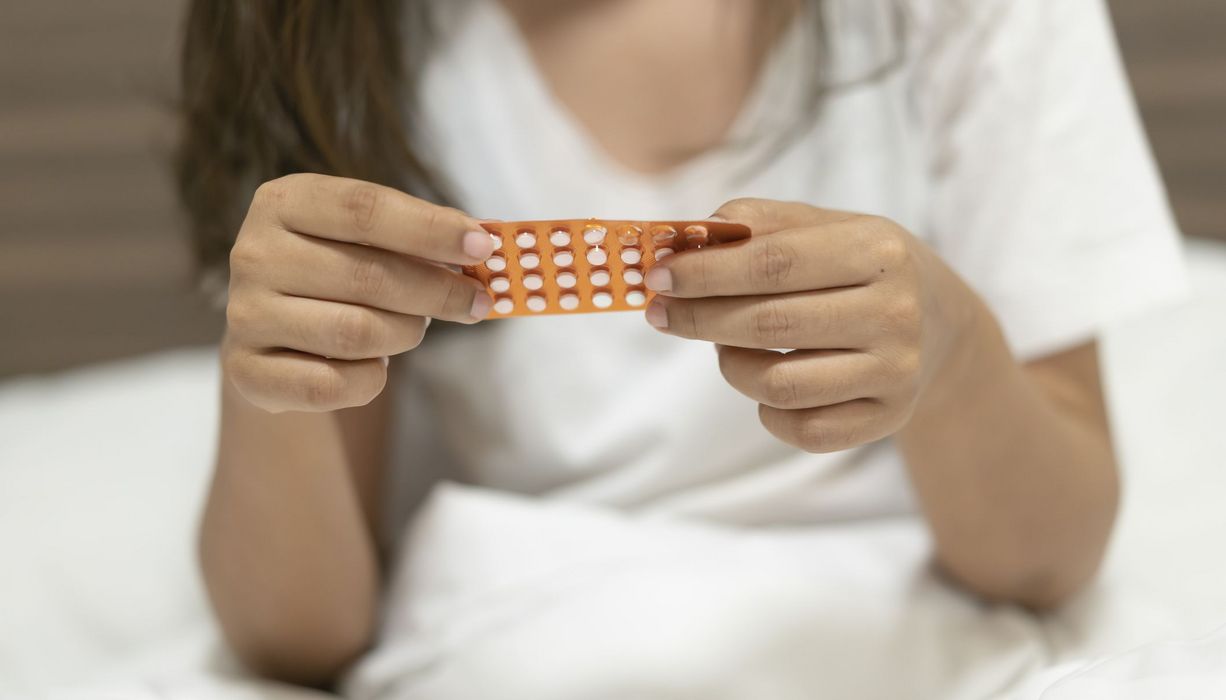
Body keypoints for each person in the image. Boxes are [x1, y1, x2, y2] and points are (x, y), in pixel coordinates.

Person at [177, 0, 1187, 692]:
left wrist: (953, 351)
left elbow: (1050, 558)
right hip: (512, 636)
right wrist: (271, 359)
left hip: (901, 631)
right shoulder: (328, 35)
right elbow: (296, 638)